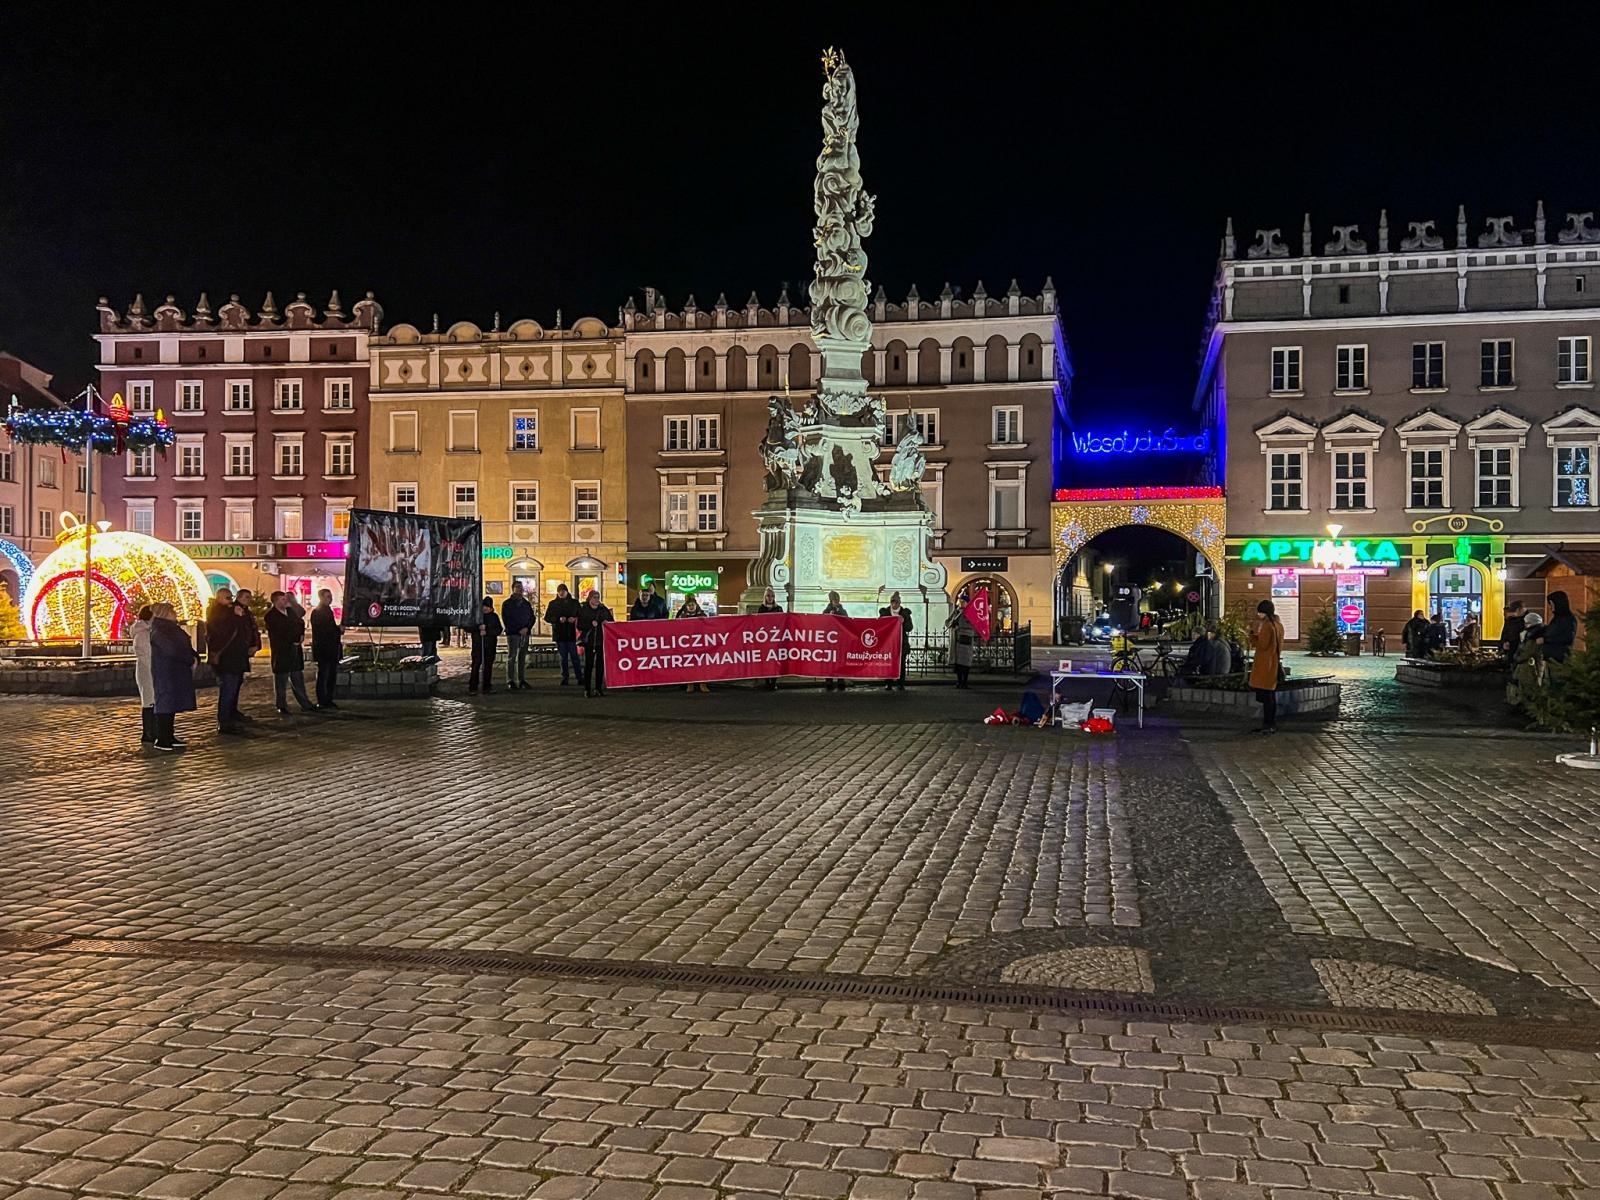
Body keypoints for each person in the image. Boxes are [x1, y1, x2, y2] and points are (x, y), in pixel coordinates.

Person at [148, 601, 198, 752]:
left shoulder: (170, 629)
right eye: (172, 611)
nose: (175, 613)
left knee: (172, 702)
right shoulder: (160, 630)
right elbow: (172, 649)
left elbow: (183, 646)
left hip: (175, 670)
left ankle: (169, 735)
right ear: (166, 613)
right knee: (165, 702)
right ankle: (162, 738)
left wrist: (193, 657)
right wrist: (189, 659)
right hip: (167, 671)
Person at [264, 590, 317, 715]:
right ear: (276, 601)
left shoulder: (290, 611)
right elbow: (281, 631)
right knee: (281, 680)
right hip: (282, 651)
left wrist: (301, 635)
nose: (285, 601)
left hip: (295, 649)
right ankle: (281, 704)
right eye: (282, 599)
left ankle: (305, 703)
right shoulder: (271, 615)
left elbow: (300, 621)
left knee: (297, 677)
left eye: (285, 599)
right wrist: (293, 638)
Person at [1249, 599, 1284, 734]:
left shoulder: (1267, 626)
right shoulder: (1278, 625)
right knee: (1270, 696)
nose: (1258, 615)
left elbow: (1263, 645)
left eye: (1260, 612)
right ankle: (1270, 724)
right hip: (1273, 663)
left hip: (1265, 665)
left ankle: (1268, 724)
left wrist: (1253, 636)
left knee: (1267, 697)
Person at [310, 588, 342, 709]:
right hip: (324, 649)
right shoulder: (318, 612)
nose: (330, 598)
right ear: (321, 598)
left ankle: (328, 699)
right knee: (324, 675)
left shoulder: (327, 610)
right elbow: (324, 630)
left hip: (331, 649)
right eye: (328, 596)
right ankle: (323, 700)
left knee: (330, 675)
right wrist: (338, 630)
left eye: (331, 596)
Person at [577, 589, 614, 697]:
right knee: (588, 665)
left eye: (598, 597)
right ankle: (587, 689)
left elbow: (611, 621)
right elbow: (579, 625)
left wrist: (606, 622)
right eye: (594, 597)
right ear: (590, 598)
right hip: (589, 642)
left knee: (600, 666)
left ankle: (598, 688)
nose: (596, 599)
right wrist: (590, 624)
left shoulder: (603, 609)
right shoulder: (584, 610)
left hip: (601, 640)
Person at [544, 584, 581, 685]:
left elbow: (580, 614)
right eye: (560, 591)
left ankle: (579, 677)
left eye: (563, 591)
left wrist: (574, 618)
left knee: (575, 657)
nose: (561, 593)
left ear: (567, 592)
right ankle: (565, 677)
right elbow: (547, 617)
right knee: (563, 657)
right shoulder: (553, 604)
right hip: (559, 634)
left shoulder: (574, 603)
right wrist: (557, 619)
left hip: (572, 633)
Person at [233, 588, 262, 721]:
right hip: (237, 652)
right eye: (246, 597)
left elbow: (252, 629)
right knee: (232, 683)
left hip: (243, 651)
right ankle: (229, 713)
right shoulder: (235, 611)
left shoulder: (246, 611)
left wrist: (255, 645)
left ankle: (233, 710)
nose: (249, 600)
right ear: (239, 597)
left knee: (238, 682)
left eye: (249, 597)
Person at [674, 594, 712, 693]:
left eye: (692, 605)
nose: (691, 607)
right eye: (689, 605)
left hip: (700, 643)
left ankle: (702, 684)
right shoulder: (682, 616)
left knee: (702, 664)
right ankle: (689, 683)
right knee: (689, 663)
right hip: (687, 644)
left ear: (696, 605)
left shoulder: (702, 615)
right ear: (686, 606)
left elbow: (708, 627)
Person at [501, 582, 534, 690]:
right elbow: (507, 619)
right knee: (512, 656)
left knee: (522, 657)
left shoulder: (526, 603)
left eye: (521, 588)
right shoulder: (507, 604)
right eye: (517, 587)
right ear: (513, 589)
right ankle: (510, 680)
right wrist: (518, 629)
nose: (520, 590)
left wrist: (527, 628)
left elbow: (532, 617)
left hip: (525, 633)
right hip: (513, 634)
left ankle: (521, 680)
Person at [131, 604, 156, 745]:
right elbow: (149, 654)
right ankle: (149, 732)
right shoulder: (143, 634)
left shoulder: (146, 631)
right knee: (149, 701)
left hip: (148, 668)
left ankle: (151, 731)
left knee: (151, 700)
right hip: (147, 670)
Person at [1531, 590, 1578, 664]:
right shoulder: (1557, 619)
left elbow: (1567, 637)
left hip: (1559, 659)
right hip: (1550, 657)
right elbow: (1550, 631)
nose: (1550, 607)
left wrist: (1545, 640)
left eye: (1551, 604)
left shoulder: (1568, 619)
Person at [879, 590, 913, 691]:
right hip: (889, 643)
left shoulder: (905, 613)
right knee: (888, 662)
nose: (894, 604)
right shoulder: (885, 612)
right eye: (892, 602)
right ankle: (888, 683)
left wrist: (903, 622)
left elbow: (909, 628)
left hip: (901, 642)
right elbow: (880, 625)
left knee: (901, 664)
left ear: (899, 603)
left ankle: (900, 683)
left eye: (896, 602)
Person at [470, 596, 503, 694]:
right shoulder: (477, 616)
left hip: (490, 645)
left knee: (488, 666)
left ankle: (487, 686)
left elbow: (498, 630)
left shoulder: (494, 617)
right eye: (483, 606)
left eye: (487, 607)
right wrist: (478, 628)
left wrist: (487, 630)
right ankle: (473, 686)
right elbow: (468, 627)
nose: (485, 608)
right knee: (476, 665)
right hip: (478, 645)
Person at [945, 591, 976, 689]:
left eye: (963, 601)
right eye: (960, 601)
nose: (961, 603)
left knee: (966, 662)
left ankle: (965, 681)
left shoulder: (971, 613)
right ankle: (959, 681)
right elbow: (947, 621)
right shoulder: (956, 611)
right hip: (957, 639)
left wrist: (960, 626)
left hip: (966, 639)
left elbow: (973, 625)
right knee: (958, 662)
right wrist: (951, 623)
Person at [756, 587, 784, 690]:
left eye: (772, 596)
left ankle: (774, 682)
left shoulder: (779, 608)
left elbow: (783, 622)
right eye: (768, 596)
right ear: (765, 597)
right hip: (765, 639)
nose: (770, 598)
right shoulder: (761, 608)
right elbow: (758, 622)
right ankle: (767, 681)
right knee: (766, 661)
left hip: (775, 639)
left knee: (775, 661)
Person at [822, 591, 849, 692]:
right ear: (831, 601)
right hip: (830, 640)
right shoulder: (826, 611)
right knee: (829, 661)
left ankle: (840, 679)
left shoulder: (843, 611)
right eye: (834, 600)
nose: (837, 601)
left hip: (840, 640)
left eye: (837, 599)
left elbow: (847, 621)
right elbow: (822, 622)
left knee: (840, 660)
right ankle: (829, 680)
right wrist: (829, 615)